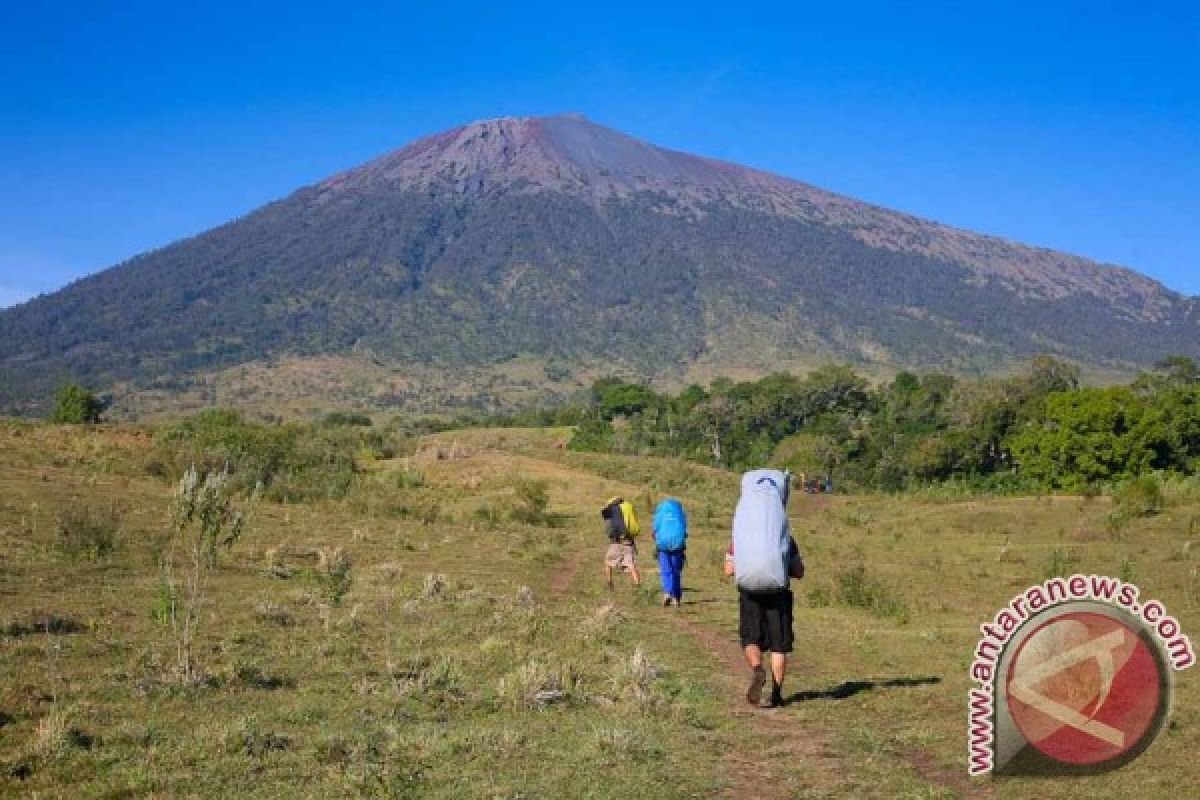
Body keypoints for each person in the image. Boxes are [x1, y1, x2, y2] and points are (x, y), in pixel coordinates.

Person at [725, 471, 805, 708]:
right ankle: (777, 693)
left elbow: (728, 570)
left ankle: (758, 670)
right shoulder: (784, 537)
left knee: (751, 638)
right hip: (778, 594)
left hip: (749, 591)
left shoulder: (740, 536)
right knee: (779, 645)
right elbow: (799, 571)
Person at [652, 497, 688, 607]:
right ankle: (676, 598)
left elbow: (655, 530)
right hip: (677, 545)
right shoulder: (680, 513)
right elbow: (684, 530)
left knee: (666, 570)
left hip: (663, 545)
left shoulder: (660, 513)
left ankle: (667, 593)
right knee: (676, 572)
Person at [600, 496, 641, 589]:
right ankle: (637, 585)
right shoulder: (628, 507)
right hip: (628, 540)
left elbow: (608, 525)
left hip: (616, 541)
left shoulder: (613, 510)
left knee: (608, 562)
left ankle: (610, 583)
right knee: (631, 564)